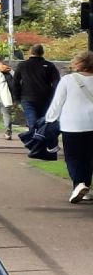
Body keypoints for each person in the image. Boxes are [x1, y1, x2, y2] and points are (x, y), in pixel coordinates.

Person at [44, 50, 93, 203]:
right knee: (88, 158)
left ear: (78, 63)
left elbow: (57, 102)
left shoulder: (68, 80)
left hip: (71, 124)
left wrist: (50, 119)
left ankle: (79, 184)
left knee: (73, 158)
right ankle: (84, 187)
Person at [17, 43, 63, 132]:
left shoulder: (22, 65)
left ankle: (34, 139)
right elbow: (56, 82)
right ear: (42, 52)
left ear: (31, 52)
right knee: (43, 120)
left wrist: (17, 97)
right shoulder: (49, 65)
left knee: (32, 121)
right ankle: (40, 139)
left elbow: (15, 82)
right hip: (45, 97)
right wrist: (53, 96)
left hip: (27, 97)